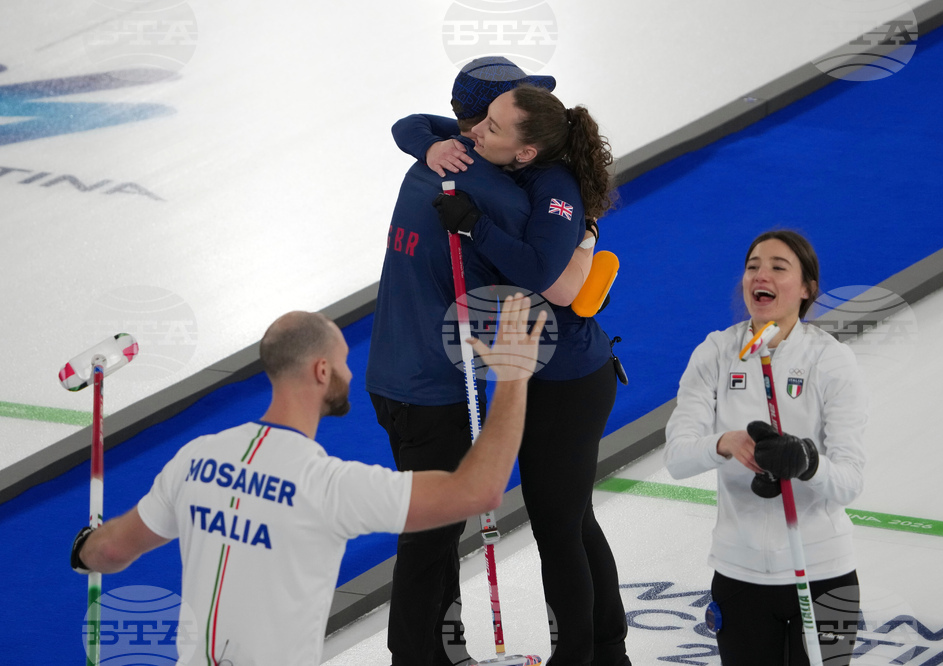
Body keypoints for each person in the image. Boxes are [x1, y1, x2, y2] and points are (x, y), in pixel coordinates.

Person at [70, 296, 546, 666]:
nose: (349, 370)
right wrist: (513, 379)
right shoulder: (328, 486)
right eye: (342, 361)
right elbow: (478, 491)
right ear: (322, 371)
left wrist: (85, 546)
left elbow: (109, 551)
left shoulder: (196, 459)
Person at [396, 84, 631, 666]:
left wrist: (477, 226)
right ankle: (606, 647)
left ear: (526, 148)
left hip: (569, 381)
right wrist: (429, 149)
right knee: (571, 520)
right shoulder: (510, 156)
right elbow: (410, 125)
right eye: (479, 122)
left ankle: (581, 654)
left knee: (558, 529)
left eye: (490, 127)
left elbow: (549, 278)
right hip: (536, 374)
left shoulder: (554, 187)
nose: (473, 134)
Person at [366, 57, 558, 666]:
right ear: (491, 122)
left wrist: (426, 143)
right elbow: (541, 276)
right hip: (438, 390)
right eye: (518, 106)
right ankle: (417, 658)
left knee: (435, 534)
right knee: (430, 541)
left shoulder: (431, 163)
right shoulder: (494, 192)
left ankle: (444, 654)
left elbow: (411, 123)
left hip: (391, 376)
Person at [662, 230, 868, 665]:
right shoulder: (717, 352)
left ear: (807, 288)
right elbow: (677, 458)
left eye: (778, 266)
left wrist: (806, 462)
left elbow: (849, 481)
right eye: (754, 265)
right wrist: (725, 442)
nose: (762, 275)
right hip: (740, 574)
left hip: (824, 574)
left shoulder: (829, 360)